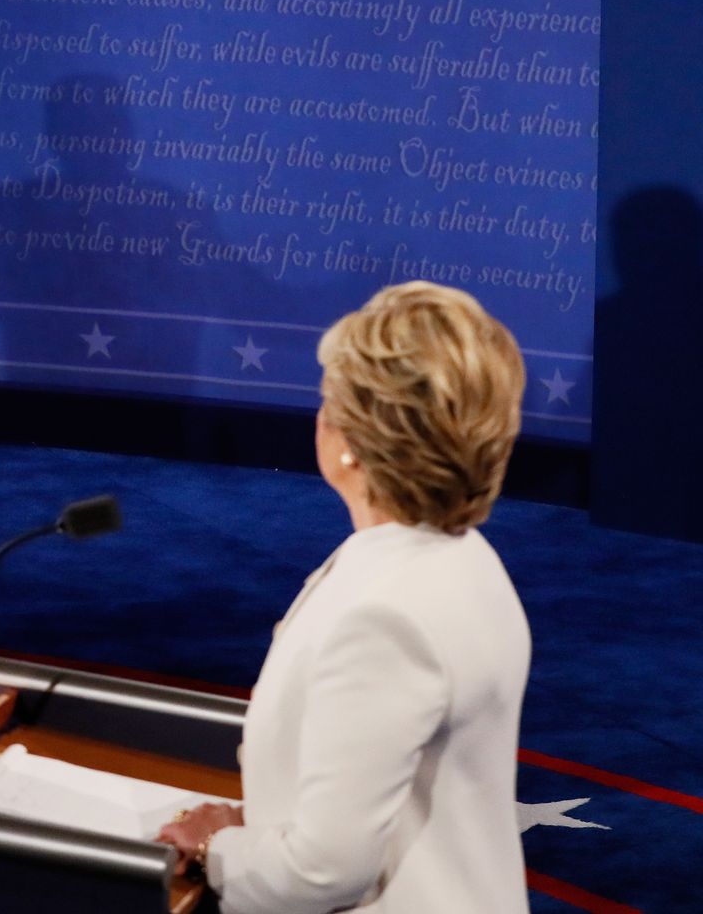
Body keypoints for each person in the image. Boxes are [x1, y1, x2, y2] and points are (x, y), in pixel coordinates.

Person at [156, 281, 531, 913]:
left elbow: (322, 874)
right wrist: (259, 818)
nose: (319, 417)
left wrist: (219, 845)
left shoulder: (382, 617)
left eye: (330, 401)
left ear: (353, 444)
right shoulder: (467, 558)